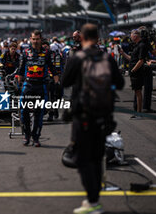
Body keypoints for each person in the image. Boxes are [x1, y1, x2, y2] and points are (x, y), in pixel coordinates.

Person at [62, 24, 124, 214]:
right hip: (104, 117)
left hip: (83, 117)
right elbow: (119, 83)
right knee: (97, 158)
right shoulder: (106, 58)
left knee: (83, 159)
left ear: (81, 38)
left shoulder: (78, 58)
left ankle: (92, 201)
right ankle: (95, 199)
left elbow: (65, 82)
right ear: (98, 38)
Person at [17, 30, 59, 147]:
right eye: (33, 39)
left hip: (41, 86)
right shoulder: (25, 52)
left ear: (41, 39)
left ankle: (36, 137)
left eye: (37, 39)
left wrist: (56, 82)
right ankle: (27, 136)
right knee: (24, 110)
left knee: (39, 113)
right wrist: (18, 84)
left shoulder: (47, 52)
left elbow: (52, 68)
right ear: (30, 39)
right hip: (28, 85)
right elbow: (21, 69)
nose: (35, 41)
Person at [119, 29, 146, 119]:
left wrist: (133, 70)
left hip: (137, 72)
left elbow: (141, 60)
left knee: (138, 92)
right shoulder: (136, 45)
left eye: (131, 35)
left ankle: (139, 113)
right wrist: (123, 54)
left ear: (135, 36)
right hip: (134, 71)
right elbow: (132, 59)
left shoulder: (141, 45)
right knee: (136, 92)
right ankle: (138, 112)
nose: (130, 37)